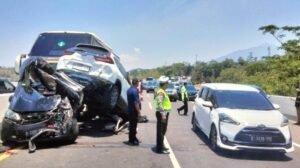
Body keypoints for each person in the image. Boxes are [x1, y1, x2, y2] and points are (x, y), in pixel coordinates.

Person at [154, 76, 172, 154]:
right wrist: (163, 115)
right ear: (164, 84)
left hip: (162, 113)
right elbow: (160, 103)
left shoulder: (162, 91)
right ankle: (160, 149)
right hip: (162, 113)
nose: (168, 84)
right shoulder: (161, 92)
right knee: (161, 131)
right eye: (167, 83)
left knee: (162, 131)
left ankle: (161, 145)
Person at [127, 78, 141, 145]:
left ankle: (133, 138)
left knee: (132, 125)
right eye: (138, 83)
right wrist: (138, 111)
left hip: (130, 110)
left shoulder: (129, 90)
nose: (139, 84)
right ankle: (131, 140)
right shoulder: (135, 91)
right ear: (136, 83)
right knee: (133, 126)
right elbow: (136, 102)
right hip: (134, 111)